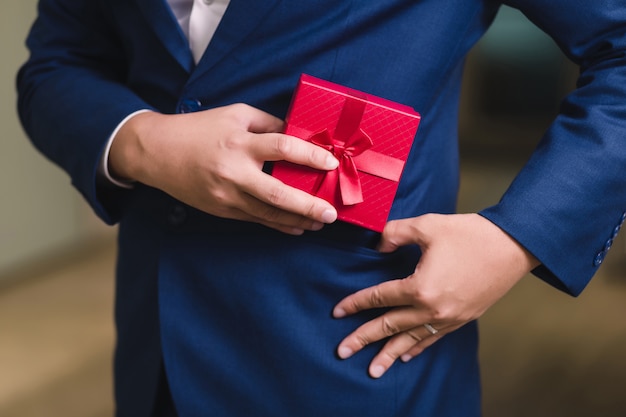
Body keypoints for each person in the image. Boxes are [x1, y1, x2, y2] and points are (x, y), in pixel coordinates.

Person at [16, 0, 626, 416]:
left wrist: (516, 238)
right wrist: (140, 143)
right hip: (158, 353)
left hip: (353, 352)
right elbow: (57, 64)